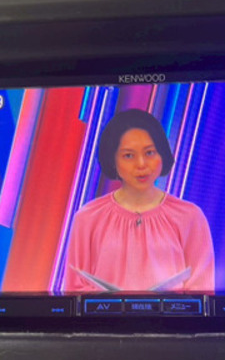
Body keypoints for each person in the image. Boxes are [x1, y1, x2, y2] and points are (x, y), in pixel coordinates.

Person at [63, 109, 215, 292]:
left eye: (149, 153)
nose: (141, 164)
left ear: (162, 154)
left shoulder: (190, 216)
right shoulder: (88, 217)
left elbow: (202, 289)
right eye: (129, 155)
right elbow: (75, 287)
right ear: (112, 160)